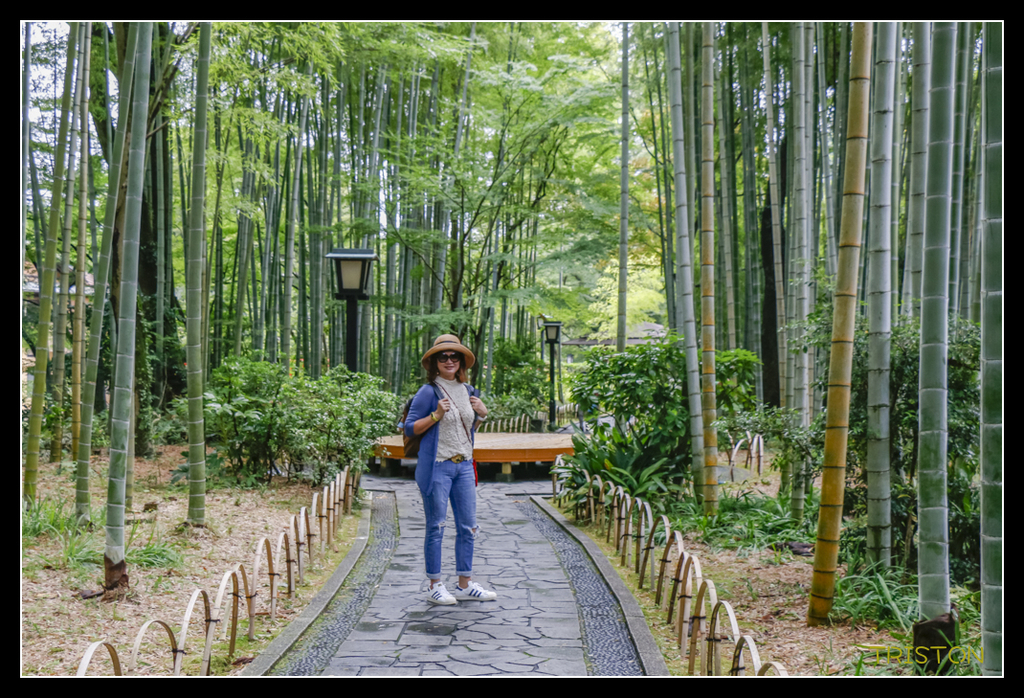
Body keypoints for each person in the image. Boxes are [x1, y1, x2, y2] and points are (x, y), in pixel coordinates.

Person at [405, 334, 497, 605]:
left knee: (468, 527)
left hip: (465, 466)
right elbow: (410, 428)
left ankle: (465, 584)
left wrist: (482, 414)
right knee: (436, 526)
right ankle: (434, 584)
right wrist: (435, 415)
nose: (449, 360)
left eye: (453, 356)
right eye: (442, 356)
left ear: (461, 362)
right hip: (438, 467)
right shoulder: (428, 392)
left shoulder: (469, 391)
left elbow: (465, 430)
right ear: (434, 362)